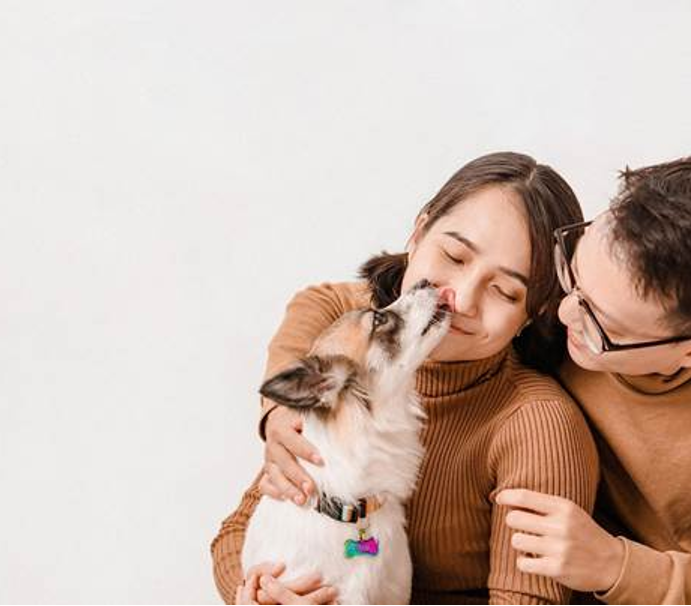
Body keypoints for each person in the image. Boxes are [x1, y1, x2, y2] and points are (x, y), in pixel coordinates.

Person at [211, 152, 600, 604]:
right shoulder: (352, 381)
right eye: (454, 255)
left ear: (535, 312)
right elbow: (240, 532)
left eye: (504, 290)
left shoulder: (537, 425)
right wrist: (260, 592)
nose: (459, 299)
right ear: (418, 232)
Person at [493, 155, 691, 603]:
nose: (564, 311)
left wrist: (615, 566)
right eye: (575, 272)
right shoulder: (569, 285)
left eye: (602, 323)